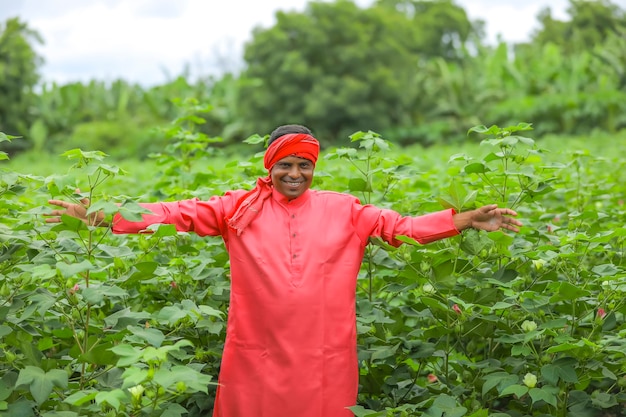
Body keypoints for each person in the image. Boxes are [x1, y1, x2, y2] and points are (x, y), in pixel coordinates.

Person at [46, 124, 522, 417]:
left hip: (324, 357)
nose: (295, 174)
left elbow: (405, 228)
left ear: (314, 168)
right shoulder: (239, 208)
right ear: (270, 165)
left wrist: (462, 220)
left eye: (305, 166)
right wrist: (100, 213)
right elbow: (175, 212)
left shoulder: (345, 210)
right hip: (258, 354)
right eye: (286, 165)